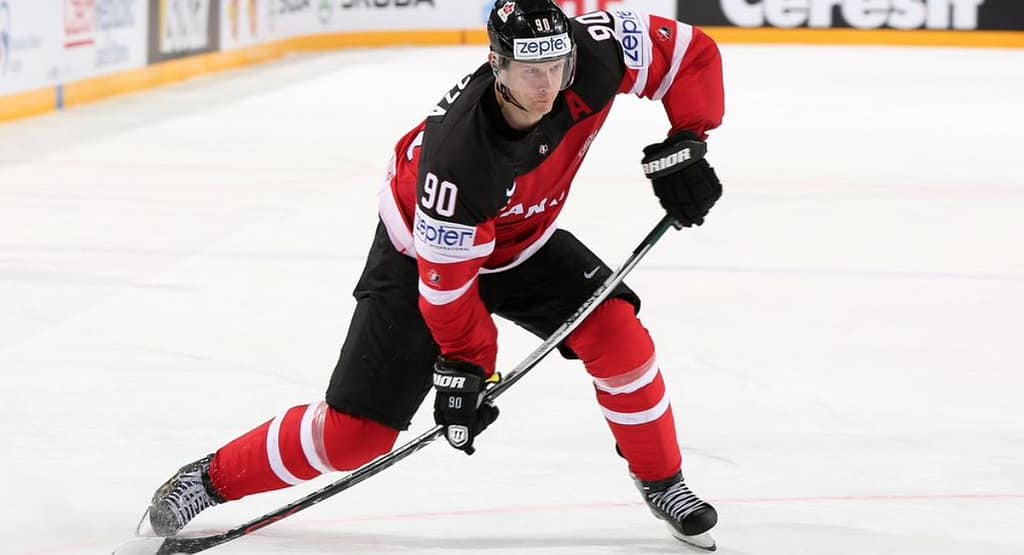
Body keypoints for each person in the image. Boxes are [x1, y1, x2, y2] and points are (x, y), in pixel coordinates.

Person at [146, 0, 725, 549]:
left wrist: (688, 138)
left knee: (619, 336)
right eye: (530, 71)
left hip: (521, 243)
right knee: (355, 438)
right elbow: (447, 291)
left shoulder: (596, 50)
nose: (548, 85)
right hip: (420, 258)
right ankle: (208, 479)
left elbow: (688, 54)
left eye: (556, 65)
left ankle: (663, 481)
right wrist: (466, 366)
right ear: (496, 63)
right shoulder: (458, 159)